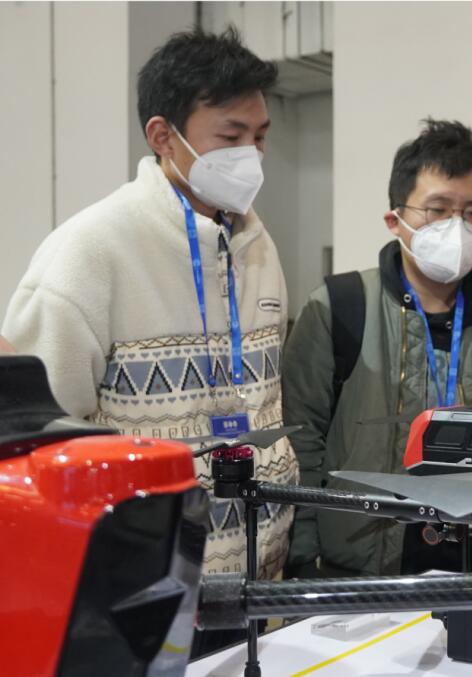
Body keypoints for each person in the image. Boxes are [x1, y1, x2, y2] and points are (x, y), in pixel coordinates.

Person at [1, 28, 297, 585]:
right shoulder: (90, 252)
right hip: (140, 591)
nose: (252, 156)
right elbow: (34, 437)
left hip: (260, 582)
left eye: (260, 136)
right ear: (163, 136)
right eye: (231, 136)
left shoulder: (257, 245)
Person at [282, 119, 472, 578]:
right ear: (395, 220)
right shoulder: (339, 308)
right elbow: (300, 442)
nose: (457, 226)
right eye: (438, 209)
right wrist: (304, 562)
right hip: (358, 570)